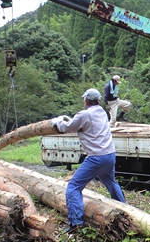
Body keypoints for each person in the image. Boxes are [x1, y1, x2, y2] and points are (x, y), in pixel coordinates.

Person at [52, 88, 126, 233]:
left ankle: (75, 223)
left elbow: (68, 128)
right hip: (109, 154)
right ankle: (124, 208)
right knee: (110, 181)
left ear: (86, 100)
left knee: (73, 187)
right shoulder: (103, 113)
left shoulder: (84, 114)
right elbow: (81, 124)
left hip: (96, 157)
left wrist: (58, 121)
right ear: (98, 101)